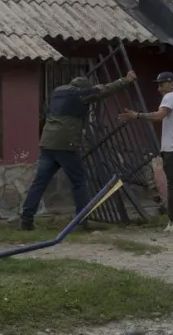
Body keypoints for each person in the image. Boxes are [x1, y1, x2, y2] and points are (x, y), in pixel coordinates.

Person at [19, 70, 137, 231]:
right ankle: (82, 221)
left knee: (39, 183)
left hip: (47, 142)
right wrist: (126, 80)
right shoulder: (81, 93)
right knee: (79, 181)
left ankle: (26, 219)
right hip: (65, 144)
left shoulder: (57, 91)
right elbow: (105, 89)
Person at [121, 72, 173, 234]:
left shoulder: (170, 97)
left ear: (171, 83)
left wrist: (137, 115)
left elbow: (159, 116)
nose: (158, 88)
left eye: (161, 84)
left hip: (172, 149)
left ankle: (172, 223)